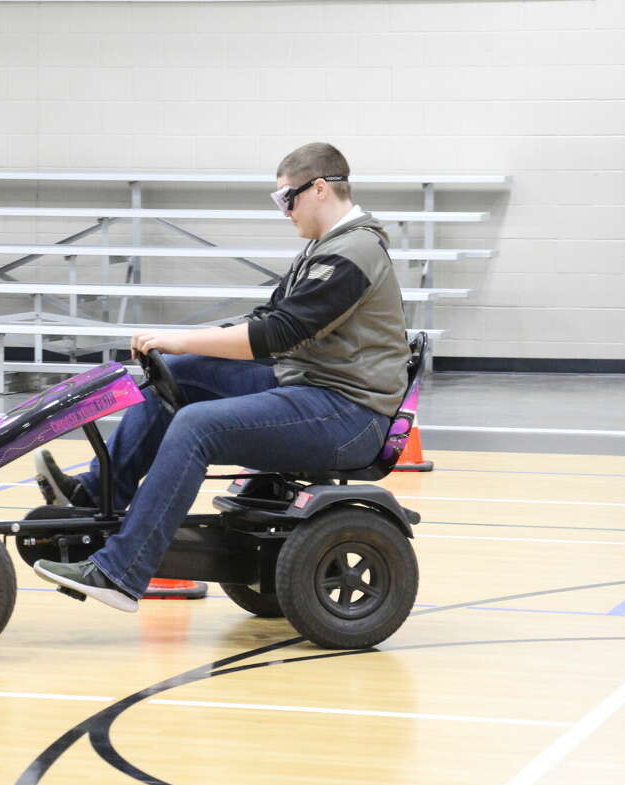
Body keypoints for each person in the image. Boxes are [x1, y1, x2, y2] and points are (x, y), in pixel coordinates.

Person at [31, 142, 410, 612]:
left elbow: (277, 333)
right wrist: (179, 348)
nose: (284, 211)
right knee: (178, 374)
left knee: (196, 426)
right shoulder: (326, 247)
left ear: (318, 189)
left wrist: (181, 338)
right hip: (310, 388)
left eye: (285, 198)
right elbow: (270, 315)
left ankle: (119, 573)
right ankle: (94, 495)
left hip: (347, 414)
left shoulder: (352, 253)